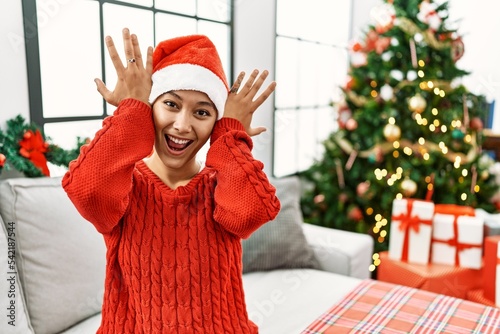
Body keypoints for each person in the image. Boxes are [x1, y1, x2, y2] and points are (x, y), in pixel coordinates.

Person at [62, 28, 280, 333]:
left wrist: (230, 136)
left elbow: (253, 212)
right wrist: (130, 111)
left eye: (202, 112)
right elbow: (87, 191)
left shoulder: (222, 186)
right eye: (171, 104)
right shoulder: (124, 186)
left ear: (215, 125)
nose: (182, 125)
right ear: (149, 108)